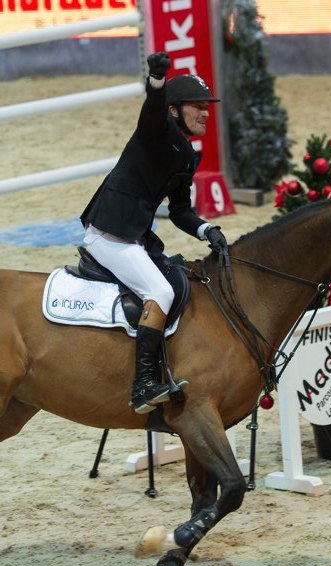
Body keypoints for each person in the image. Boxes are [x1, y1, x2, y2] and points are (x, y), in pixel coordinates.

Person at [80, 52, 228, 414]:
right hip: (110, 232)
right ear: (174, 110)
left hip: (135, 235)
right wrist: (156, 80)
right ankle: (143, 384)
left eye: (207, 107)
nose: (206, 113)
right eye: (197, 107)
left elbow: (179, 209)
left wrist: (207, 230)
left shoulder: (188, 154)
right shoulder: (156, 128)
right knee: (159, 291)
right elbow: (151, 109)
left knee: (178, 281)